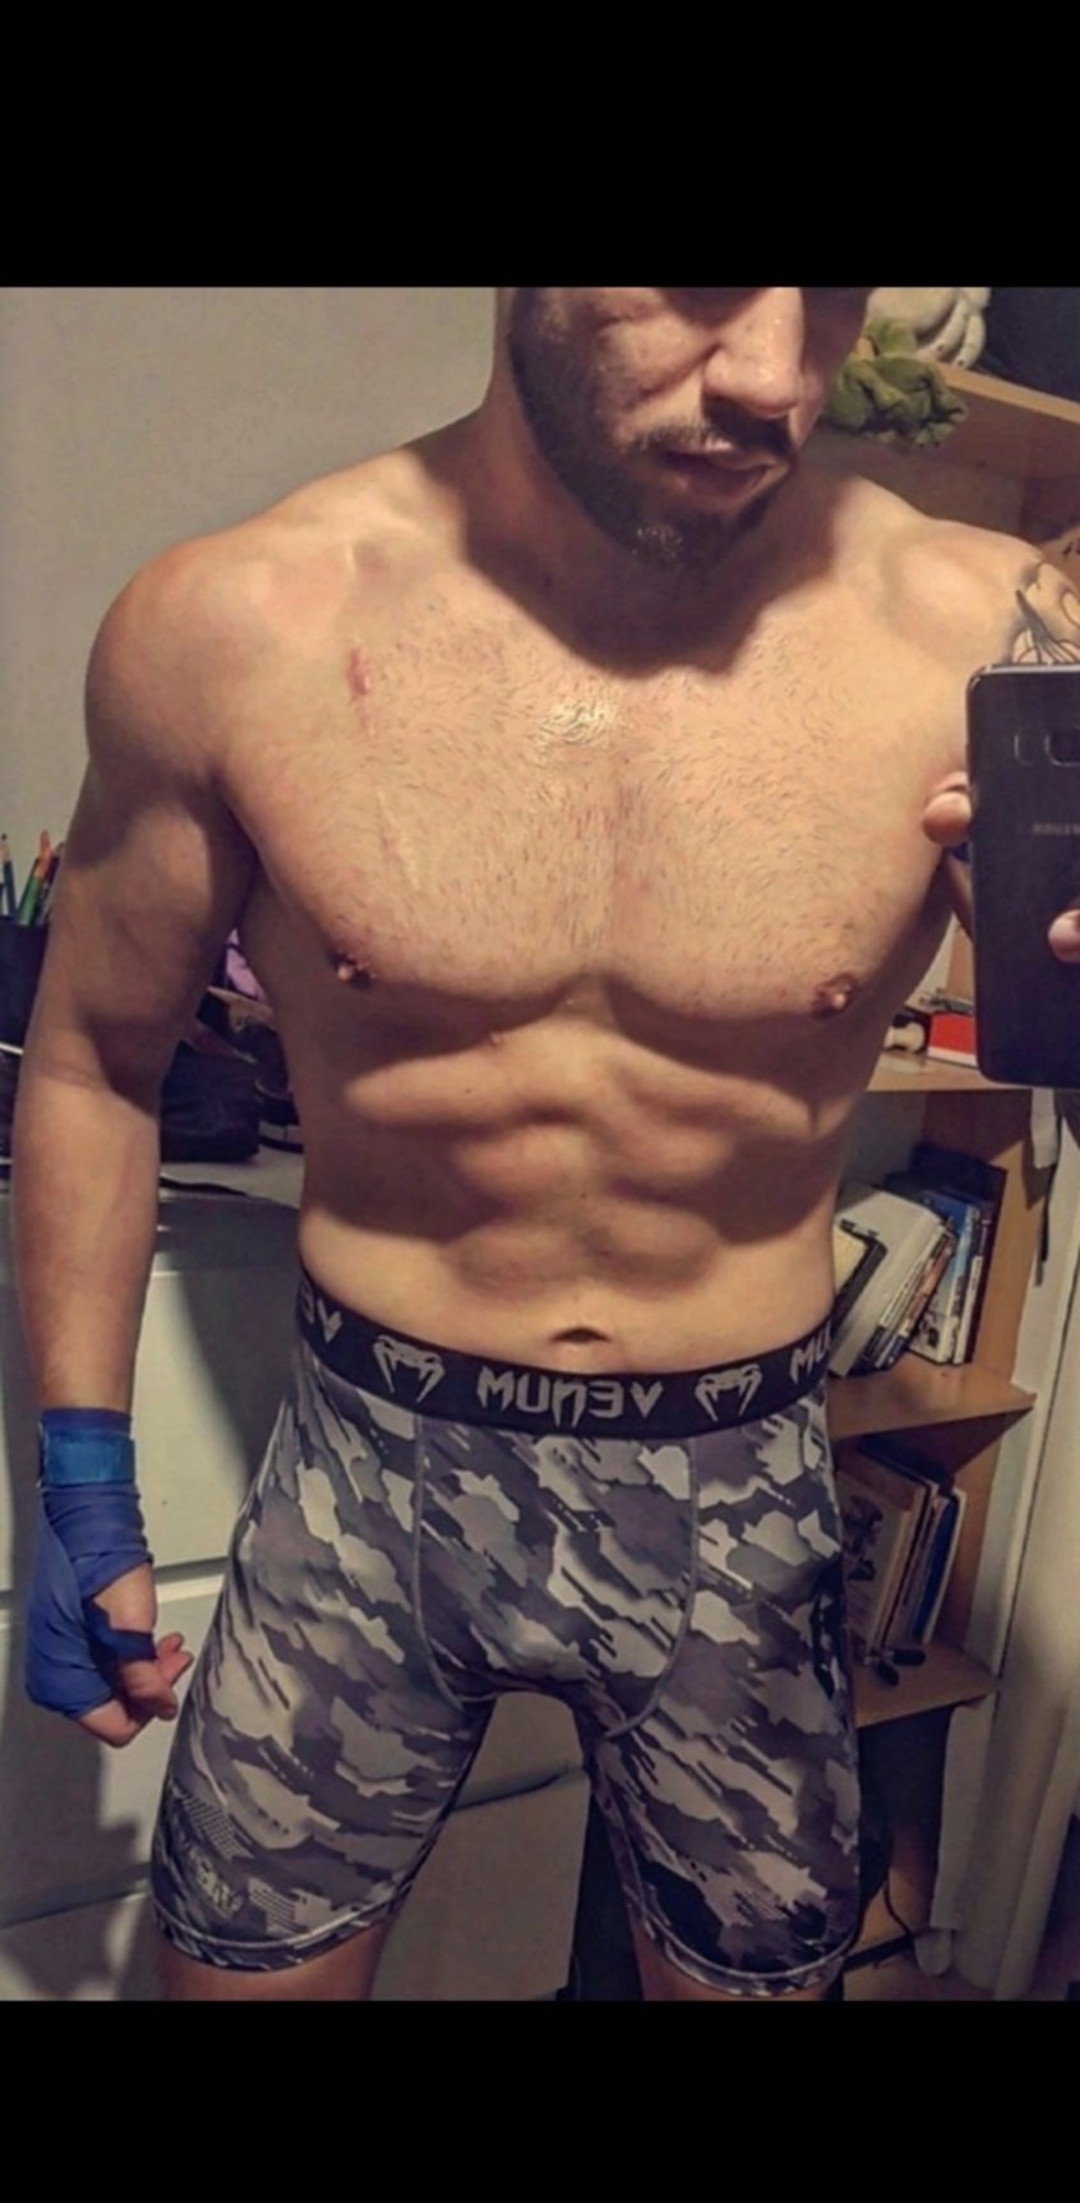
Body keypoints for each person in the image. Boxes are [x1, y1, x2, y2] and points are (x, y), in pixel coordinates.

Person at [14, 288, 1080, 2004]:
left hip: (738, 1479)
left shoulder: (984, 637)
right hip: (368, 1472)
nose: (774, 375)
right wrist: (80, 1479)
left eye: (829, 293)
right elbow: (91, 1062)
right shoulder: (233, 628)